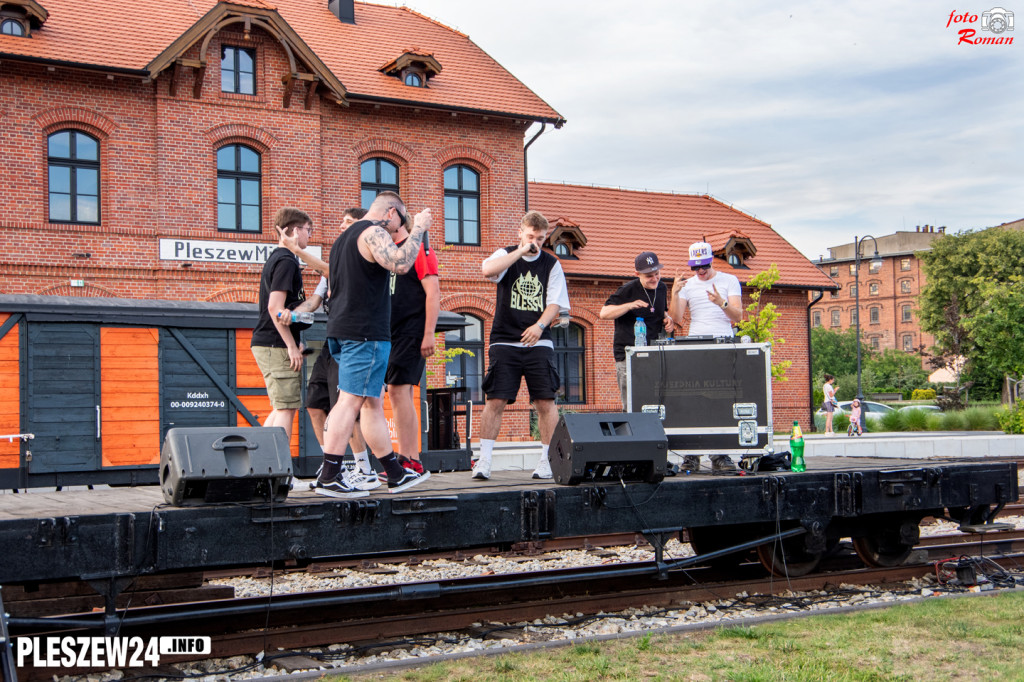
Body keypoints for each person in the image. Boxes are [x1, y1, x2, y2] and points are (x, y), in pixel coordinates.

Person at [283, 192, 432, 497]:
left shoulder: (342, 240)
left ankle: (394, 473)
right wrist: (418, 228)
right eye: (398, 224)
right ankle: (330, 475)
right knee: (349, 402)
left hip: (344, 329)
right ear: (391, 213)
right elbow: (401, 263)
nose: (395, 232)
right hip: (365, 333)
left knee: (371, 404)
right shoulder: (374, 231)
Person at [471, 211, 570, 481]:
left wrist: (539, 326)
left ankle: (546, 461)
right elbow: (487, 270)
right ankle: (484, 460)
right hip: (505, 339)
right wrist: (520, 251)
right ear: (521, 233)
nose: (534, 242)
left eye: (539, 238)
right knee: (495, 400)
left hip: (539, 341)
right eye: (530, 237)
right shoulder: (506, 255)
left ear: (546, 236)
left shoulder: (552, 264)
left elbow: (555, 304)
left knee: (545, 401)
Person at [291, 208, 378, 487]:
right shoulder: (335, 262)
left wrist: (296, 250)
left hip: (354, 341)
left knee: (347, 408)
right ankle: (332, 465)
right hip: (332, 341)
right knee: (315, 405)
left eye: (349, 222)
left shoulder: (355, 260)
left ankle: (364, 468)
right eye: (342, 222)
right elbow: (314, 303)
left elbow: (329, 270)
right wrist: (289, 315)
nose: (342, 226)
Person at [669, 240, 743, 472]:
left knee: (720, 396)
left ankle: (719, 453)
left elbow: (738, 316)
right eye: (695, 267)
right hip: (696, 342)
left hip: (723, 341)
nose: (700, 271)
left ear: (712, 261)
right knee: (693, 396)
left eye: (704, 266)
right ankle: (692, 453)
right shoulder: (688, 285)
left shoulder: (729, 280)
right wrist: (674, 293)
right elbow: (676, 318)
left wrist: (720, 302)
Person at [250, 207, 312, 445]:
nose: (310, 235)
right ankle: (283, 474)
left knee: (280, 408)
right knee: (286, 409)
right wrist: (291, 346)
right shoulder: (286, 261)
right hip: (275, 345)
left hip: (271, 343)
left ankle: (268, 466)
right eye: (308, 230)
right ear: (295, 231)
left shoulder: (280, 259)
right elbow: (275, 307)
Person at [385, 213, 440, 474]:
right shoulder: (389, 253)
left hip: (411, 331)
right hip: (391, 333)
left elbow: (433, 292)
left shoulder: (420, 249)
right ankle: (409, 457)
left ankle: (409, 458)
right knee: (401, 394)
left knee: (398, 391)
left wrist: (429, 333)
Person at [599, 251, 674, 409]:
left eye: (657, 274)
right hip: (628, 354)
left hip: (654, 352)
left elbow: (660, 311)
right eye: (649, 276)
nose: (654, 279)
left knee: (655, 400)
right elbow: (604, 313)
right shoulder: (628, 290)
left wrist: (668, 319)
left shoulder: (661, 288)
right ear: (637, 274)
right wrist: (629, 305)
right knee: (632, 402)